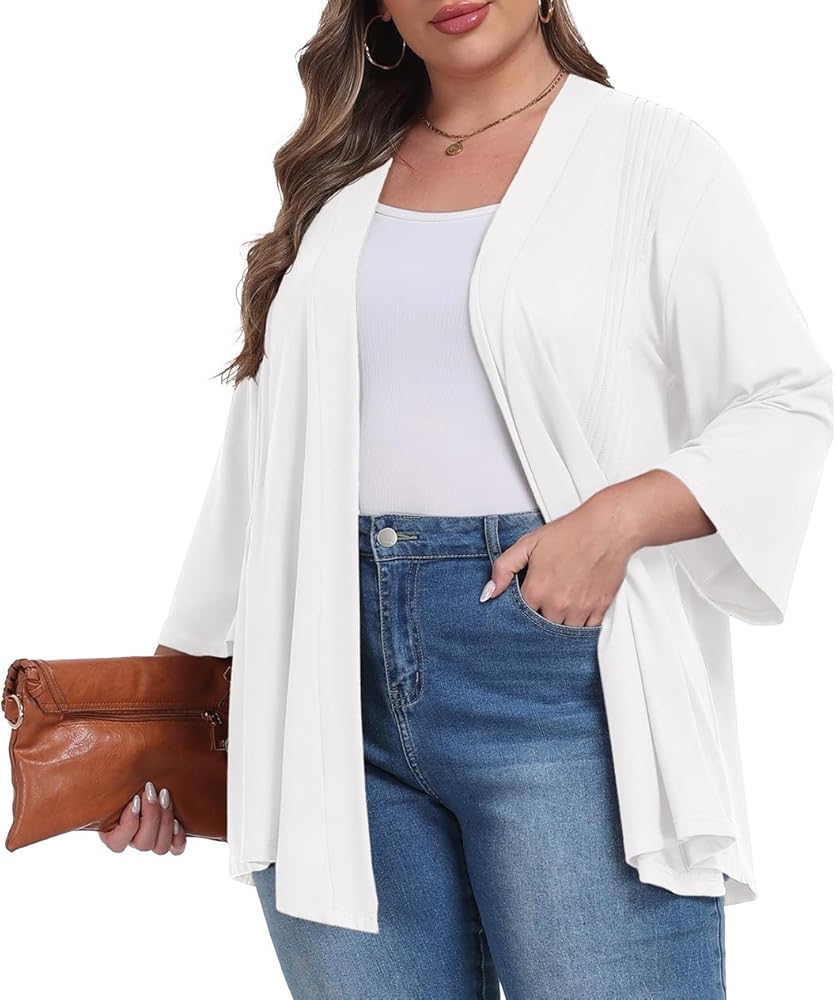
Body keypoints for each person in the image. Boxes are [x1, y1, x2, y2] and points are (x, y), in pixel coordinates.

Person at [100, 1, 833, 997]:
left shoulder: (652, 157)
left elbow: (789, 400)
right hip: (322, 690)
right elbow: (259, 460)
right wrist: (169, 712)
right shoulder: (340, 179)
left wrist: (619, 518)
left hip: (560, 682)